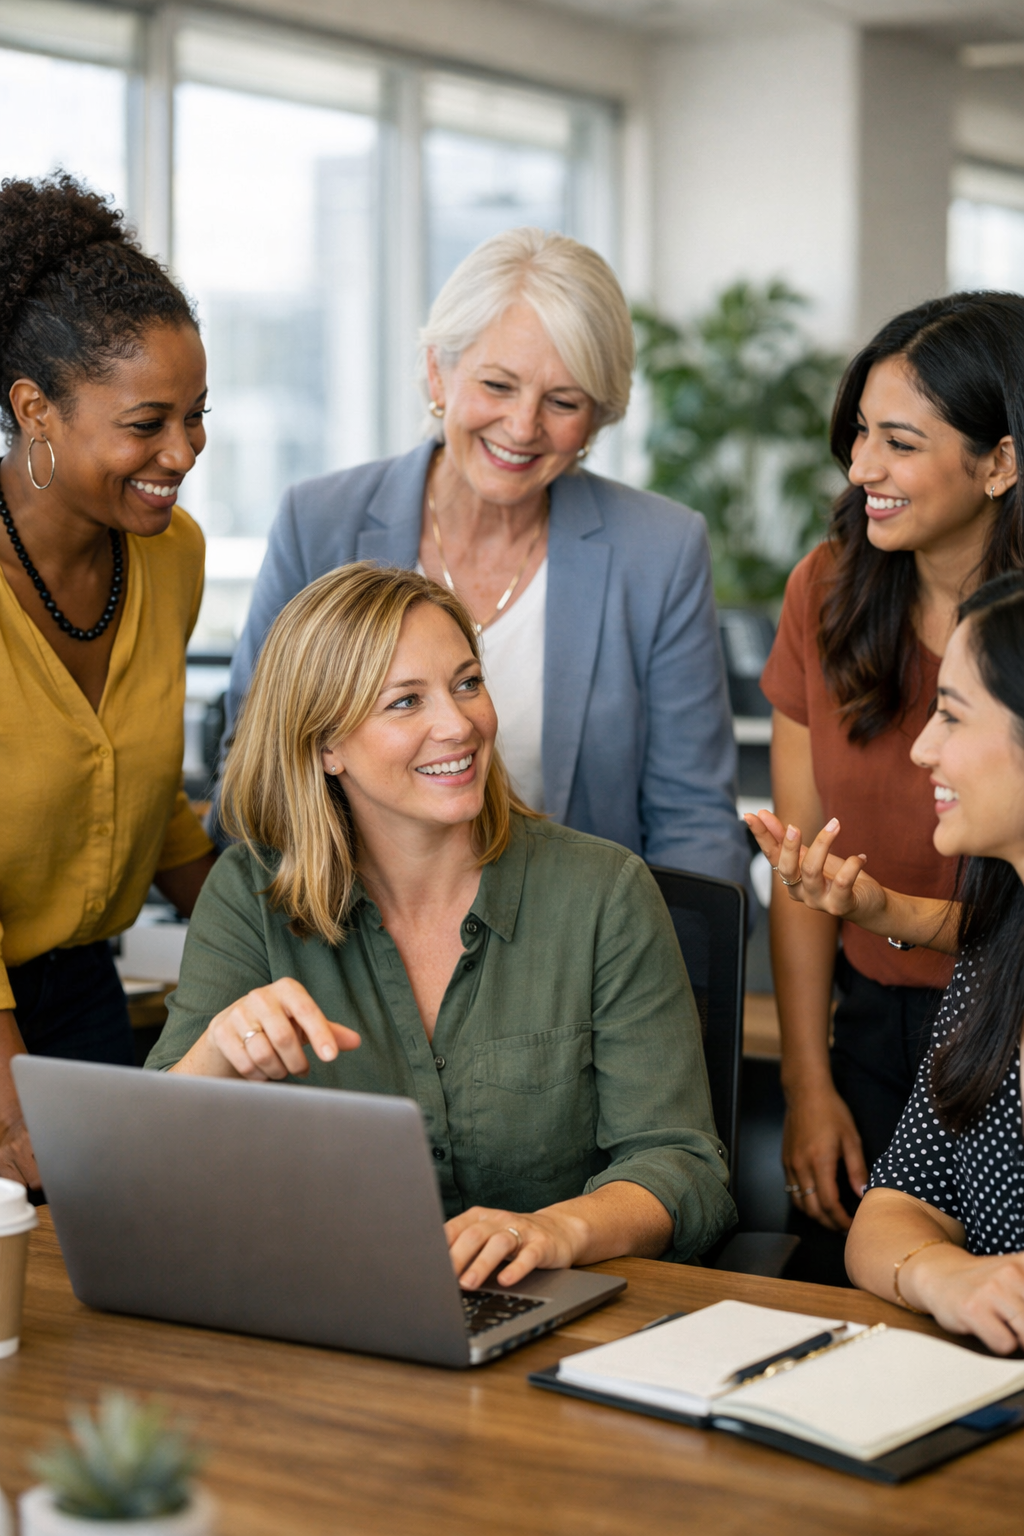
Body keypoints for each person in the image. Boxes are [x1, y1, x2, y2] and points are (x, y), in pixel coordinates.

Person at [149, 564, 736, 1285]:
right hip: (326, 1300)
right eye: (405, 702)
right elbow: (150, 1164)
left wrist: (556, 1230)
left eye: (467, 683)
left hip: (552, 1307)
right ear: (326, 746)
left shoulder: (603, 893)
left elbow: (681, 1165)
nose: (459, 725)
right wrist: (218, 1054)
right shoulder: (251, 894)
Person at [221, 227, 748, 888]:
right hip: (349, 925)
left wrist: (653, 953)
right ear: (438, 372)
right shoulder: (319, 522)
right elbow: (257, 768)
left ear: (598, 417)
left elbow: (693, 821)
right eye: (498, 385)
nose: (523, 427)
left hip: (584, 940)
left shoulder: (661, 551)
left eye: (563, 402)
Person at [759, 292, 1023, 1278]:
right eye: (861, 433)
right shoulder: (827, 590)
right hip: (873, 1018)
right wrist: (806, 1081)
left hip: (1007, 1013)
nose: (861, 466)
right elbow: (801, 868)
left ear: (1000, 462)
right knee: (871, 1280)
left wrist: (892, 912)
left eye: (899, 443)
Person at [0, 173, 217, 1189]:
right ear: (36, 410)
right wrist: (13, 1111)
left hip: (85, 989)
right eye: (147, 422)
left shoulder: (172, 556)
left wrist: (279, 927)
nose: (182, 453)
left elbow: (142, 794)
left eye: (197, 415)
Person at [749, 573, 1024, 1353]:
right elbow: (891, 1212)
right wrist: (944, 1276)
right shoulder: (996, 964)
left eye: (953, 714)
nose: (922, 748)